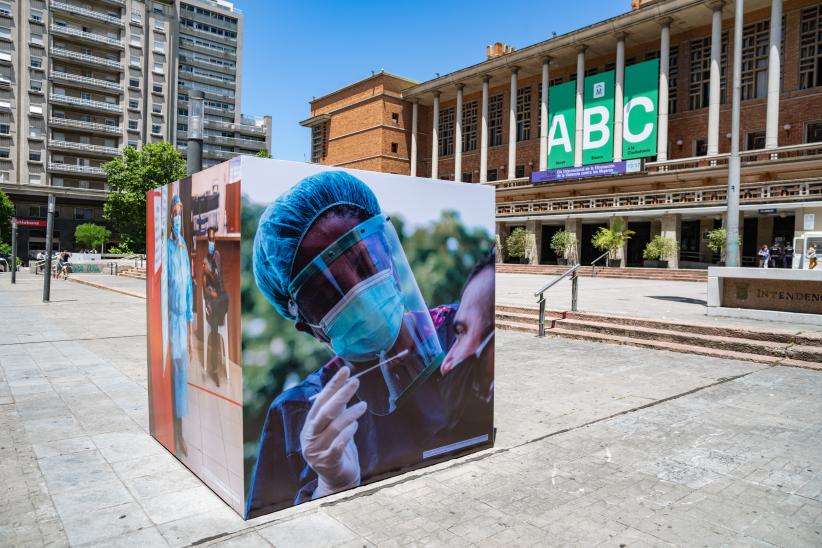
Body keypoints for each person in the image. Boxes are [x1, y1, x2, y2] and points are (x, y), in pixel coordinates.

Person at [246, 171, 494, 517]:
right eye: (328, 292)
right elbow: (268, 528)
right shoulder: (297, 415)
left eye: (366, 262)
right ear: (307, 326)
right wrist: (328, 489)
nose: (358, 294)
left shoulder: (470, 331)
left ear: (391, 257)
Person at [167, 194, 194, 457]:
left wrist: (190, 329)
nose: (178, 217)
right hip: (168, 321)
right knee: (171, 380)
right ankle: (172, 432)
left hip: (181, 322)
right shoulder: (167, 246)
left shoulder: (184, 246)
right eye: (174, 213)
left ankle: (181, 433)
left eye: (180, 213)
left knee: (181, 380)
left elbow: (188, 291)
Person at [201, 226, 228, 387]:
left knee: (225, 297)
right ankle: (214, 369)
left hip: (219, 301)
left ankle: (219, 316)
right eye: (210, 240)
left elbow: (220, 281)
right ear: (207, 241)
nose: (212, 242)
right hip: (211, 302)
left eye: (214, 239)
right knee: (214, 330)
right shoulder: (205, 260)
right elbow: (205, 287)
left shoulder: (217, 256)